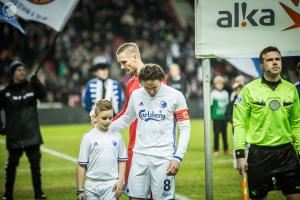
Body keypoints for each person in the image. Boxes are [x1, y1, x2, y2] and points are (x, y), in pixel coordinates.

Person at [109, 64, 191, 199]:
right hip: (139, 156)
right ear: (141, 82)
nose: (151, 92)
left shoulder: (176, 96)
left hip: (164, 158)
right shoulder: (136, 95)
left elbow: (185, 128)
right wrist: (104, 128)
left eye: (154, 87)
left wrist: (178, 157)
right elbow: (125, 119)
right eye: (147, 88)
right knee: (134, 197)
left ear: (162, 80)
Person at [233, 46, 300, 200]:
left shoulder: (291, 90)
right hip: (259, 154)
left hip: (287, 153)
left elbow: (296, 123)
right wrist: (240, 155)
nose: (275, 62)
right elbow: (240, 124)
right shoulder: (249, 90)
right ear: (262, 66)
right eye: (270, 60)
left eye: (278, 59)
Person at [0, 61, 47, 200]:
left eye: (23, 69)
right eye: (19, 70)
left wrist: (37, 82)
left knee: (35, 167)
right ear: (13, 72)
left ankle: (39, 194)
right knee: (11, 167)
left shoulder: (32, 87)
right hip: (14, 135)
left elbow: (43, 95)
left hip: (31, 134)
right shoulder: (5, 92)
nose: (22, 72)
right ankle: (8, 195)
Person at [76, 99, 127, 200]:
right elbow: (81, 165)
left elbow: (122, 161)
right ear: (95, 117)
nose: (108, 121)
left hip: (111, 185)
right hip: (91, 185)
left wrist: (120, 181)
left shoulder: (118, 137)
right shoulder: (87, 137)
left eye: (110, 118)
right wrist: (80, 190)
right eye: (104, 118)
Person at [113, 42, 145, 181]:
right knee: (132, 192)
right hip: (133, 146)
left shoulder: (157, 79)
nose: (122, 66)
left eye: (124, 62)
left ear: (134, 57)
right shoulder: (131, 83)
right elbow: (125, 113)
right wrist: (104, 126)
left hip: (154, 148)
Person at [211, 76, 229, 156]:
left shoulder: (226, 93)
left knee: (224, 134)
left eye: (221, 83)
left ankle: (226, 149)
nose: (219, 85)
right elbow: (210, 105)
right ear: (215, 84)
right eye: (217, 83)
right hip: (216, 117)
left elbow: (228, 105)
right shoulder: (213, 93)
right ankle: (216, 149)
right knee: (216, 134)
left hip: (224, 117)